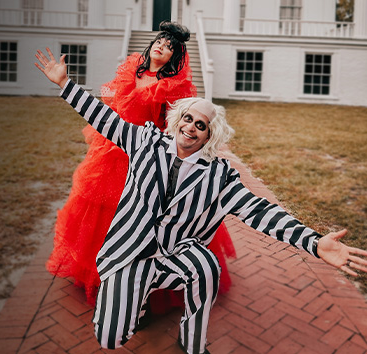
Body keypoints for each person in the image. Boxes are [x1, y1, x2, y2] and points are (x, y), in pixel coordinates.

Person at [34, 48, 367, 354]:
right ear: (177, 119)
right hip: (130, 255)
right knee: (110, 339)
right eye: (188, 119)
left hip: (176, 255)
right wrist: (65, 83)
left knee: (206, 266)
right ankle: (130, 299)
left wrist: (313, 242)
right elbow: (104, 119)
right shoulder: (144, 142)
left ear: (209, 135)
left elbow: (260, 212)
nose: (191, 127)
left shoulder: (220, 176)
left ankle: (190, 343)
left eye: (201, 125)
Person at [46, 21, 236, 312]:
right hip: (112, 150)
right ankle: (104, 274)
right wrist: (64, 84)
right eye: (160, 41)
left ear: (176, 58)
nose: (162, 46)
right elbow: (108, 112)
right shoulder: (132, 68)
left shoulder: (174, 86)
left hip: (144, 155)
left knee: (141, 222)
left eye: (170, 47)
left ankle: (142, 290)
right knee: (101, 215)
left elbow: (176, 128)